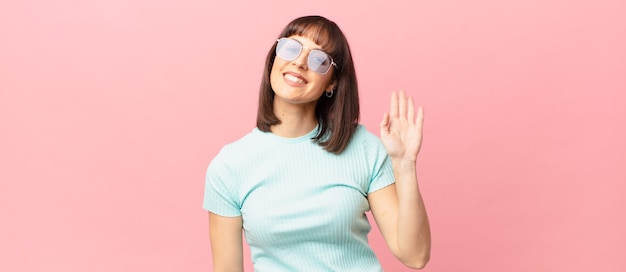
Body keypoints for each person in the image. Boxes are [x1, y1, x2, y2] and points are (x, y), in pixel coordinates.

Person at [203, 15, 431, 271]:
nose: (299, 62)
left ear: (332, 82)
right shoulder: (229, 167)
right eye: (291, 48)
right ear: (273, 59)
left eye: (318, 59)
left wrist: (405, 164)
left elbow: (415, 255)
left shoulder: (363, 147)